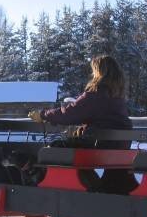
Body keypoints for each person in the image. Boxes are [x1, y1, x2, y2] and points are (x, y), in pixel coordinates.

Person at [28, 55, 137, 194]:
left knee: (55, 148)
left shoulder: (97, 93)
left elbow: (69, 113)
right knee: (71, 144)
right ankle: (93, 186)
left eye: (94, 71)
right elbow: (104, 120)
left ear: (100, 72)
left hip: (100, 146)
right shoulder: (117, 96)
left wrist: (43, 115)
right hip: (117, 146)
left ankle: (46, 187)